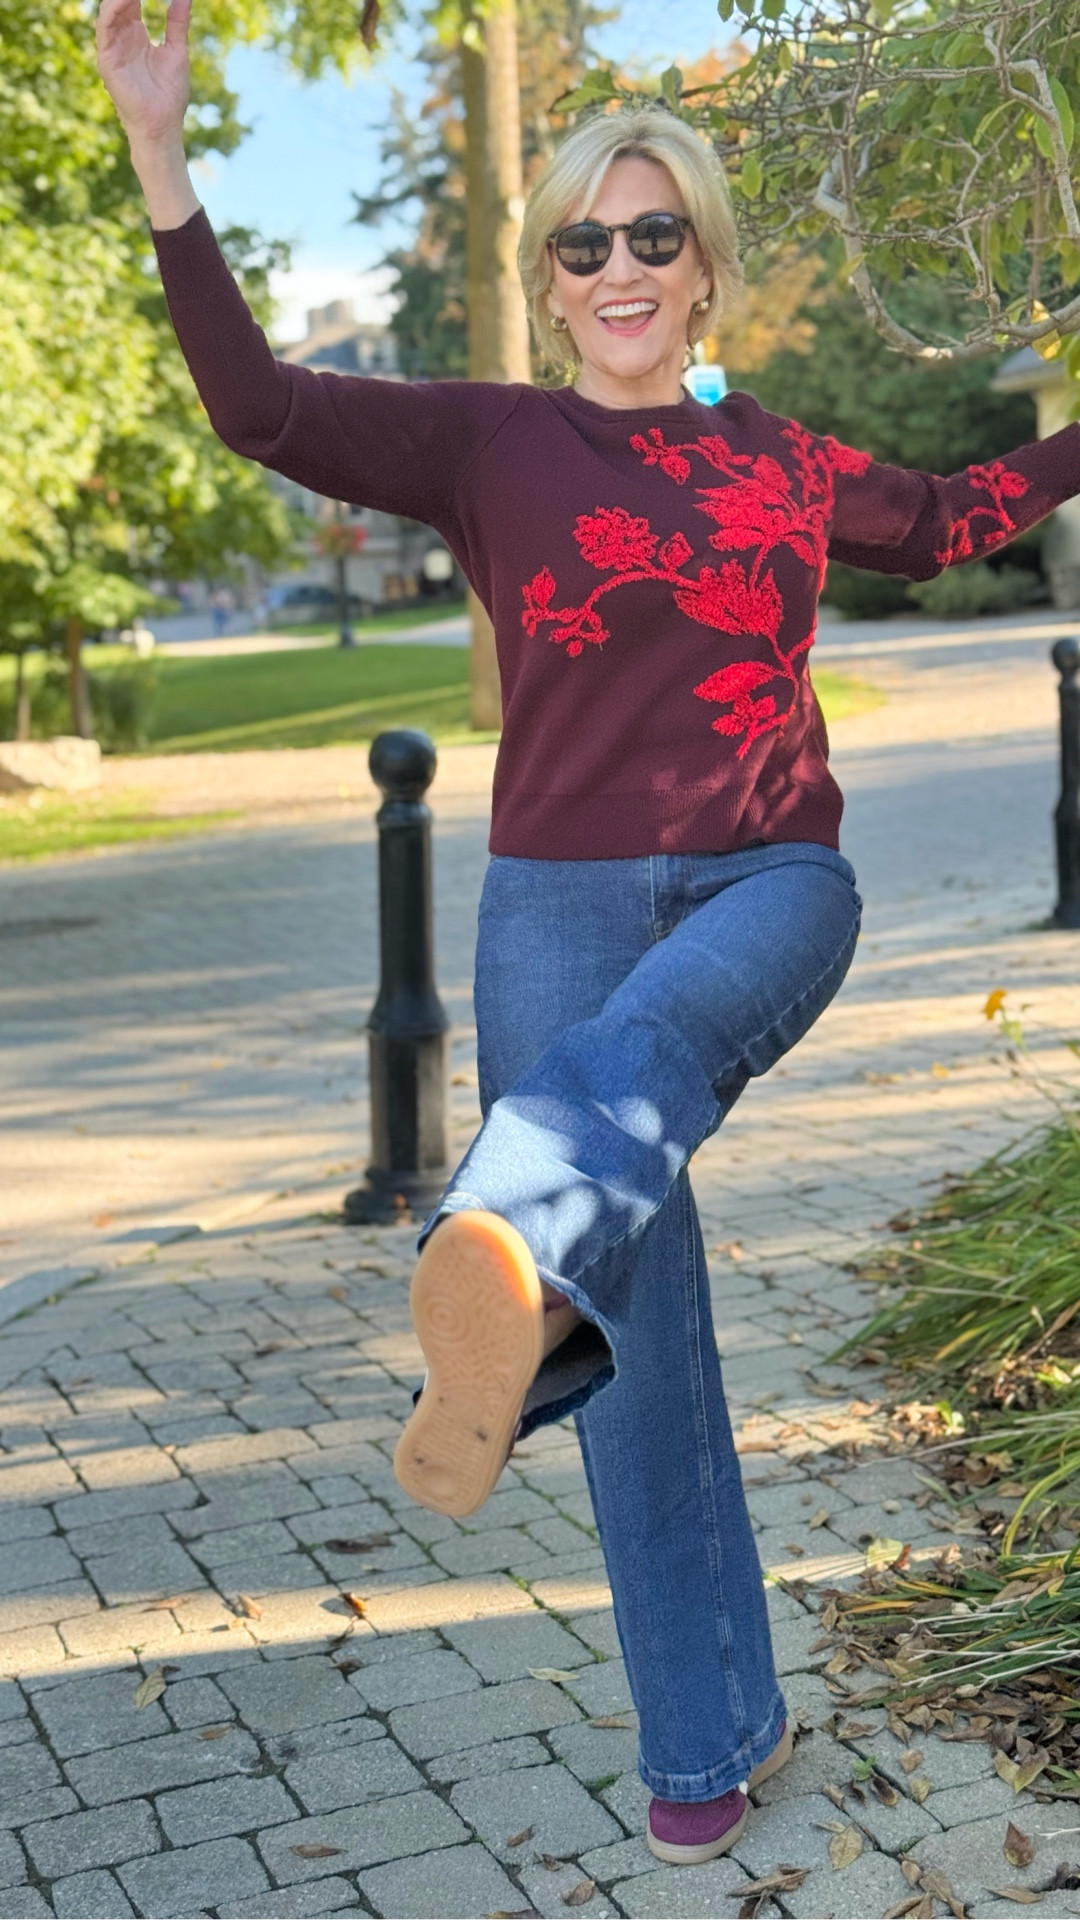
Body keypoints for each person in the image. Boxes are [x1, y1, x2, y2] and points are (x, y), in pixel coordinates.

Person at [98, 0, 1080, 1865]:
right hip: (553, 897)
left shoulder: (780, 458)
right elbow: (258, 407)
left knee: (608, 1115)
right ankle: (714, 1720)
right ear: (549, 273)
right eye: (583, 240)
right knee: (652, 1338)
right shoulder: (486, 443)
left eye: (655, 235)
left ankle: (512, 1240)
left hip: (772, 877)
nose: (619, 265)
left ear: (703, 267)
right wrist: (163, 152)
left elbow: (959, 514)